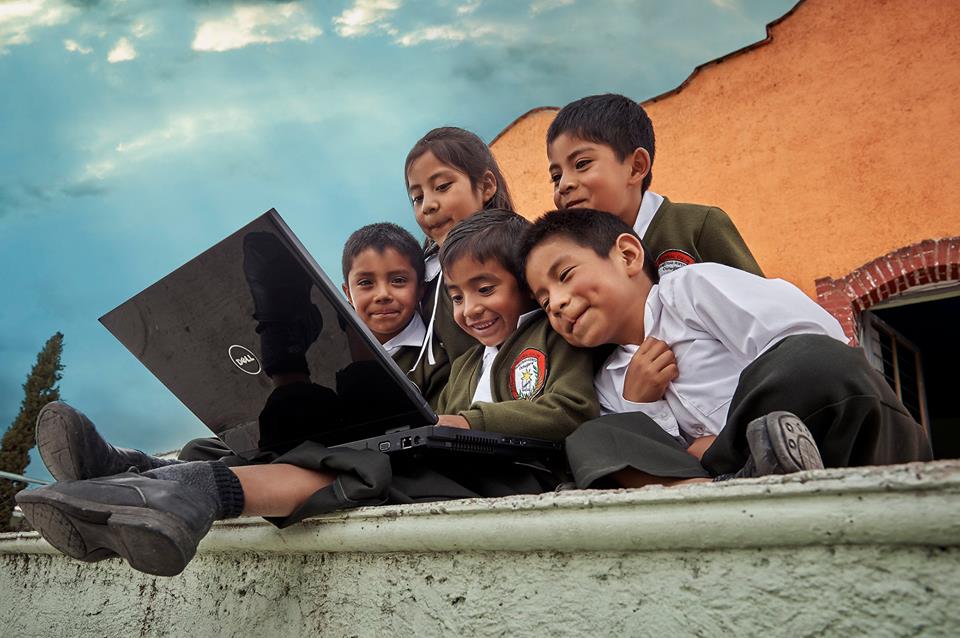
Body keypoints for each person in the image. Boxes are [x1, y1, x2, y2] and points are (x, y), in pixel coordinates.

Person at [17, 213, 598, 578]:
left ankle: (183, 493)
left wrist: (464, 421)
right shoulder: (466, 360)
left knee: (347, 453)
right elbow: (427, 413)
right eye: (459, 297)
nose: (469, 309)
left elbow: (569, 409)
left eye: (486, 290)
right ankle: (133, 474)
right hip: (452, 458)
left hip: (509, 473)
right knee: (270, 432)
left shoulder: (547, 337)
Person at [520, 209, 932, 489]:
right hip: (713, 476)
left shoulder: (690, 291)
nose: (555, 302)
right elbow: (652, 456)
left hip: (835, 435)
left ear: (627, 255)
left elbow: (813, 338)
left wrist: (719, 443)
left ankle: (751, 463)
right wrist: (640, 403)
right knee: (591, 439)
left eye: (566, 275)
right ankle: (720, 485)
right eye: (542, 300)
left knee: (813, 359)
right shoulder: (609, 383)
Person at [546, 93, 763, 279]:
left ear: (636, 167)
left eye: (582, 164)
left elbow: (764, 310)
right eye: (556, 176)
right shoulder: (578, 259)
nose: (564, 185)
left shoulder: (697, 227)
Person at [405, 126, 515, 366]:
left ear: (486, 186)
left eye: (442, 186)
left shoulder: (520, 254)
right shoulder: (424, 278)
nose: (428, 206)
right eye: (417, 197)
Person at [340, 222, 449, 408]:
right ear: (348, 294)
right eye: (366, 282)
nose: (382, 295)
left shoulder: (435, 362)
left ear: (420, 289)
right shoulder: (340, 358)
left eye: (398, 280)